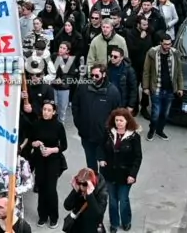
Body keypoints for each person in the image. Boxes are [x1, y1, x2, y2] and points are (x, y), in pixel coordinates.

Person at [99, 108, 142, 233]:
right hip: (109, 173)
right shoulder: (108, 132)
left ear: (127, 121)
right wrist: (101, 158)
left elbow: (138, 157)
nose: (118, 123)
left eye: (121, 120)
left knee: (123, 199)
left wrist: (133, 175)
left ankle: (126, 221)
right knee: (112, 200)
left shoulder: (134, 136)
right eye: (116, 120)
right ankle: (114, 223)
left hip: (125, 175)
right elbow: (100, 147)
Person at [72, 64, 122, 171]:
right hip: (86, 135)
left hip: (104, 137)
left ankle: (102, 180)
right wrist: (79, 123)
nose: (93, 78)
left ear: (104, 75)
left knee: (104, 165)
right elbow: (75, 105)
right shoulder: (83, 88)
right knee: (91, 164)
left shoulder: (113, 92)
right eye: (92, 75)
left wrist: (111, 131)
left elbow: (117, 114)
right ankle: (93, 180)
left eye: (96, 75)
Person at [29, 100, 68, 228]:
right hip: (39, 160)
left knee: (51, 189)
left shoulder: (58, 126)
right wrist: (35, 143)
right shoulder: (36, 124)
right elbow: (31, 140)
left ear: (54, 112)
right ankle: (42, 216)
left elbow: (64, 145)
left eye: (49, 110)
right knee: (41, 188)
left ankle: (53, 217)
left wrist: (52, 150)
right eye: (44, 109)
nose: (46, 112)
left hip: (53, 160)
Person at [142, 33, 184, 141]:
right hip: (157, 88)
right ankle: (152, 130)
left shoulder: (175, 54)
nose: (168, 46)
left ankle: (160, 130)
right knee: (155, 113)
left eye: (169, 44)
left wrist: (180, 88)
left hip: (169, 89)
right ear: (161, 43)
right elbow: (146, 71)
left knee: (165, 114)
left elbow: (179, 72)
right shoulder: (152, 53)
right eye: (165, 44)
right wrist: (145, 87)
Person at [63, 168, 108, 233]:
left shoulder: (101, 190)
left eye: (84, 184)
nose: (81, 186)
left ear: (91, 182)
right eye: (79, 183)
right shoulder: (80, 186)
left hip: (92, 227)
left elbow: (98, 215)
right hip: (78, 224)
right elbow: (67, 206)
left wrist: (90, 195)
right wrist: (75, 191)